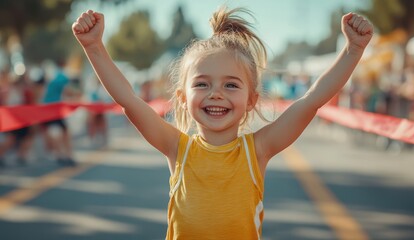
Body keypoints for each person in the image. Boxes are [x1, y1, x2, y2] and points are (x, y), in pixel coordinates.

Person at [72, 7, 373, 239]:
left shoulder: (258, 150)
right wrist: (94, 47)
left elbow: (311, 100)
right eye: (202, 84)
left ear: (252, 99)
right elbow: (129, 100)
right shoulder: (177, 148)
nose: (216, 94)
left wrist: (353, 50)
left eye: (231, 85)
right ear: (182, 96)